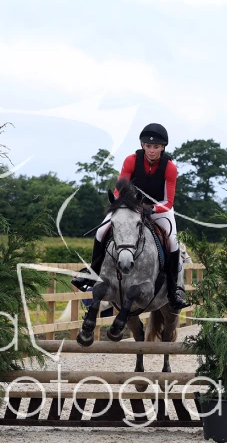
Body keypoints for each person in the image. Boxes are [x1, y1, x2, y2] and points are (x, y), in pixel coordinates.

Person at [72, 123, 191, 310]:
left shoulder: (169, 168)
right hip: (130, 207)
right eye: (148, 146)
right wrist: (124, 205)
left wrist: (151, 209)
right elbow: (119, 190)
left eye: (156, 147)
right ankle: (92, 274)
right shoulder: (131, 160)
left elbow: (168, 202)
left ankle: (173, 290)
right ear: (143, 145)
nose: (152, 150)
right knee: (102, 231)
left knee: (173, 242)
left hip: (159, 209)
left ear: (163, 147)